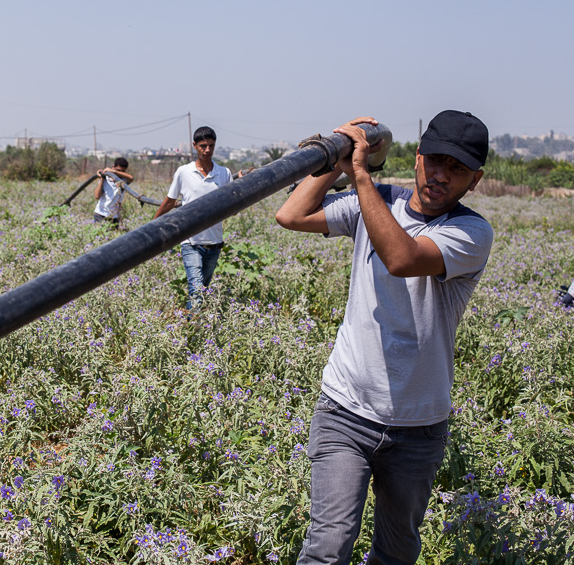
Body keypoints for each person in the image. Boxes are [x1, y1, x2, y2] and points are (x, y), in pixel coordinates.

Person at [275, 111, 494, 564]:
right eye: (434, 161)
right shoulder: (375, 199)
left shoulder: (470, 232)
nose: (440, 176)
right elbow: (291, 215)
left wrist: (359, 175)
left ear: (474, 181)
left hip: (418, 426)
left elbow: (401, 256)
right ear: (417, 158)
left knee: (396, 550)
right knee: (328, 544)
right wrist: (337, 157)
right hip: (346, 409)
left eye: (457, 170)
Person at [154, 126, 233, 309]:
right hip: (191, 242)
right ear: (194, 146)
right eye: (203, 146)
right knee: (197, 290)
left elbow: (232, 205)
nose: (207, 150)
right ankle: (192, 332)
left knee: (201, 292)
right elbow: (170, 201)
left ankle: (191, 327)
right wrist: (152, 226)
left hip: (214, 243)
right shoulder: (184, 172)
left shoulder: (224, 173)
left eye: (211, 146)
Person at [93, 157, 133, 225]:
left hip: (114, 216)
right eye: (118, 170)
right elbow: (97, 196)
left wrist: (114, 171)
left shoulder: (123, 180)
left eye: (123, 171)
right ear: (113, 166)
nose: (120, 173)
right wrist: (102, 179)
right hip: (101, 214)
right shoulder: (106, 178)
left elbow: (131, 178)